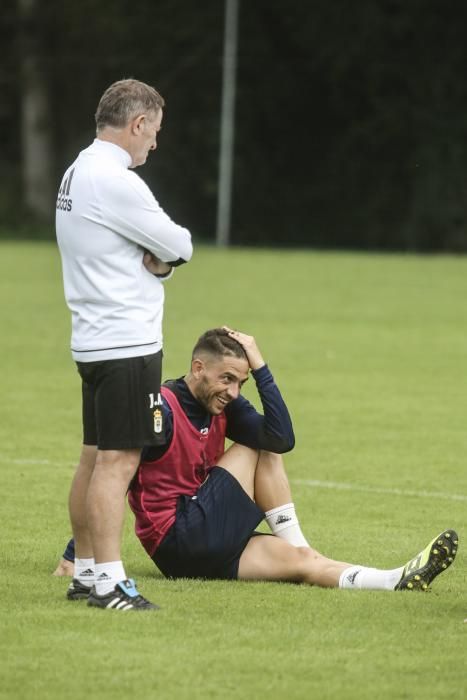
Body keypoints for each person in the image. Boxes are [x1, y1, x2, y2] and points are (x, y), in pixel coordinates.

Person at [55, 78, 193, 611]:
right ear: (137, 124)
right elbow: (178, 243)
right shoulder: (115, 179)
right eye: (153, 132)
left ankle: (87, 572)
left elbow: (151, 251)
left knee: (94, 458)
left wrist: (158, 262)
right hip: (125, 341)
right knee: (119, 462)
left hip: (93, 339)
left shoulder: (77, 169)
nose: (154, 143)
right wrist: (163, 262)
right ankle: (111, 583)